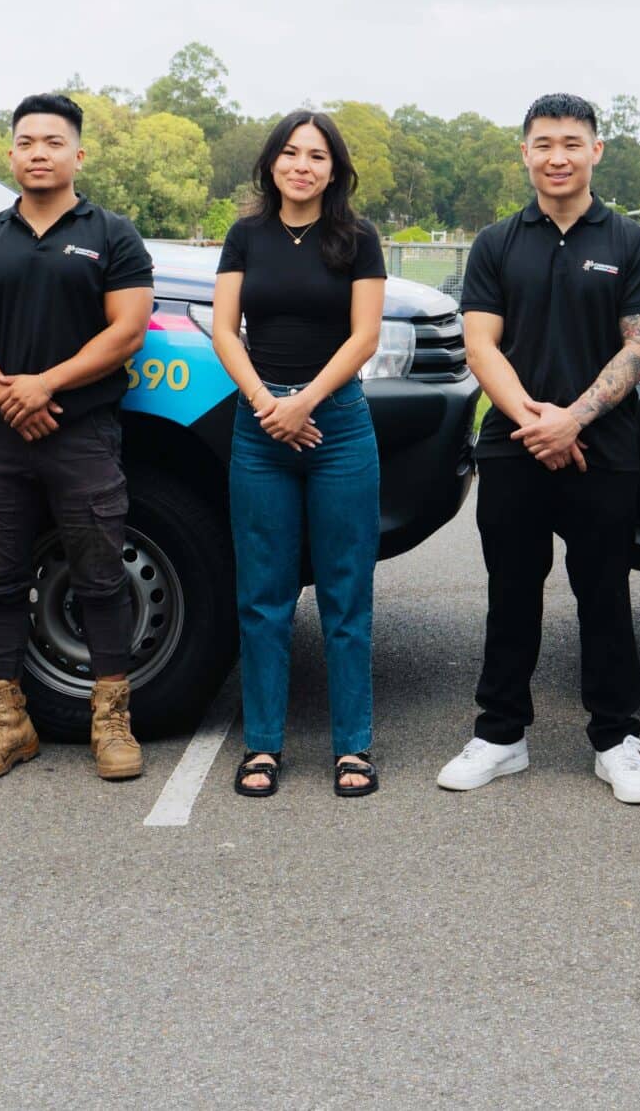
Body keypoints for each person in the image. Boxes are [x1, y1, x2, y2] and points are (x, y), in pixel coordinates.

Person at [438, 93, 640, 804]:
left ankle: (615, 738)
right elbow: (482, 343)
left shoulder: (630, 242)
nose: (557, 155)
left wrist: (575, 419)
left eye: (571, 142)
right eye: (543, 142)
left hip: (606, 447)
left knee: (604, 594)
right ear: (525, 152)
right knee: (511, 594)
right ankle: (501, 734)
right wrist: (538, 422)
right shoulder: (496, 242)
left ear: (597, 150)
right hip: (513, 447)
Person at [0, 92, 154, 783]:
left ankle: (111, 718)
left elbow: (126, 330)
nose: (38, 152)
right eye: (26, 141)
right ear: (11, 153)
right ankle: (6, 722)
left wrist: (45, 385)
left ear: (78, 154)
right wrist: (9, 393)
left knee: (99, 573)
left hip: (82, 430)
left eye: (53, 141)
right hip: (1, 433)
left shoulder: (113, 234)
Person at [208, 111, 388, 799]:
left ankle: (353, 746)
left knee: (347, 594)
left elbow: (363, 336)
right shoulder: (246, 235)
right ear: (272, 163)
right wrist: (268, 405)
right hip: (261, 428)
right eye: (290, 152)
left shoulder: (358, 238)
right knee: (263, 596)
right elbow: (226, 330)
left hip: (336, 425)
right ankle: (262, 746)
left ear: (335, 168)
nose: (302, 165)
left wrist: (304, 402)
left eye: (317, 155)